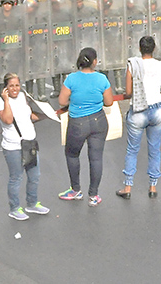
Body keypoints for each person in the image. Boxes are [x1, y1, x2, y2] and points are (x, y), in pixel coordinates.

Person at [117, 35, 161, 199]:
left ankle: (128, 188)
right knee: (154, 149)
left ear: (139, 48)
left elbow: (128, 92)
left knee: (132, 150)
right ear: (154, 48)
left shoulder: (132, 65)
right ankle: (153, 187)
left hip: (138, 111)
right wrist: (159, 100)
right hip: (156, 111)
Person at [57, 47, 113, 207]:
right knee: (96, 158)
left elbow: (62, 101)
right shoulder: (102, 79)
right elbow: (109, 102)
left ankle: (75, 190)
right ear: (94, 61)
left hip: (77, 122)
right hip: (98, 120)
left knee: (72, 155)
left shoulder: (71, 79)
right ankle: (93, 195)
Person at [0, 73, 50, 221]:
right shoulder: (0, 103)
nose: (15, 89)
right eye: (11, 86)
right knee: (16, 178)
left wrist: (47, 115)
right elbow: (7, 119)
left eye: (17, 85)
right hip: (13, 147)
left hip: (29, 143)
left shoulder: (22, 97)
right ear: (5, 87)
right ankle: (14, 208)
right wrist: (6, 100)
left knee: (34, 176)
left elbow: (29, 116)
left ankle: (32, 204)